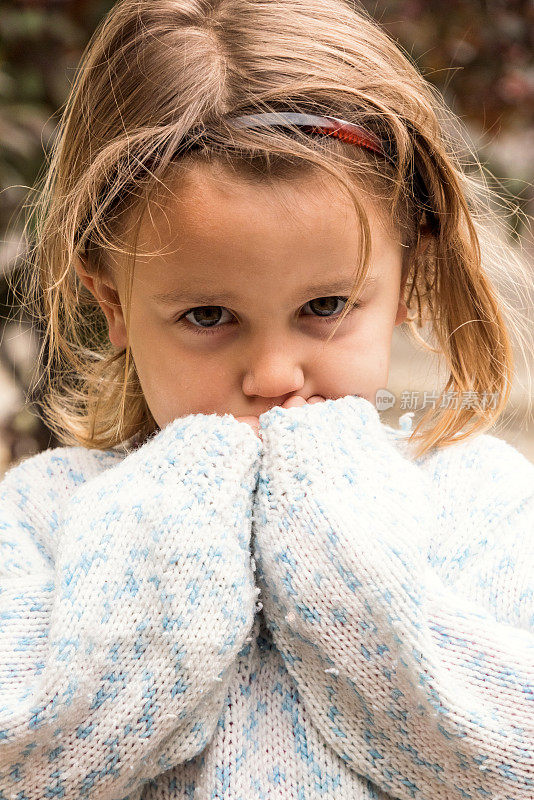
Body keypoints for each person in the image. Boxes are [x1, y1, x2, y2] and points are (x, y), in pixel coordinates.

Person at [1, 0, 533, 797]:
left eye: (324, 308)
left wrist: (334, 534)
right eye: (209, 317)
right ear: (112, 304)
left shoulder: (482, 502)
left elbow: (508, 759)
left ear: (407, 283)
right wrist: (184, 500)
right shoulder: (43, 514)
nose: (276, 375)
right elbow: (31, 765)